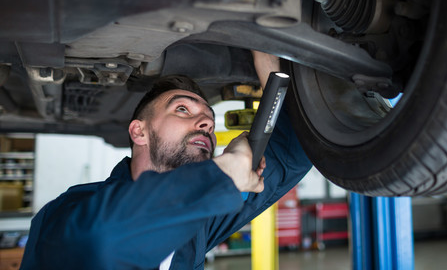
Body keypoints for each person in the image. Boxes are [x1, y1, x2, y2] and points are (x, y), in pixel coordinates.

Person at [20, 51, 312, 270]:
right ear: (139, 131)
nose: (205, 123)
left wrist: (266, 45)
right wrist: (223, 173)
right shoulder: (68, 210)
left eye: (209, 120)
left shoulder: (199, 220)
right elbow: (102, 242)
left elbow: (294, 152)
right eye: (183, 109)